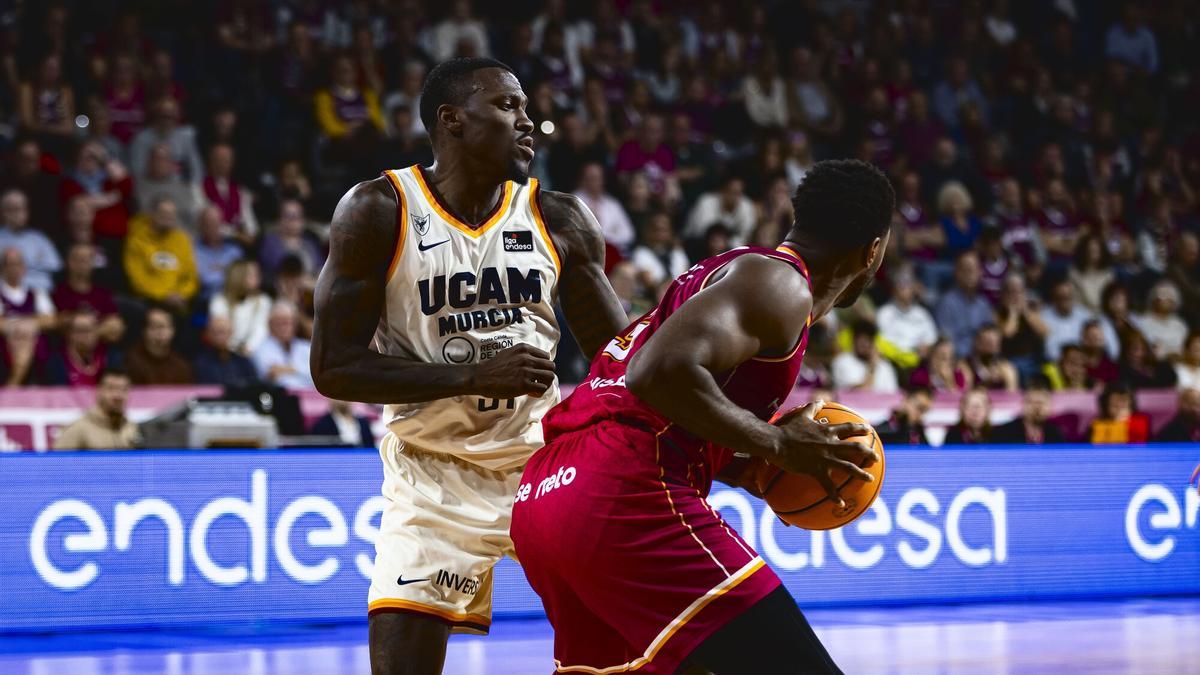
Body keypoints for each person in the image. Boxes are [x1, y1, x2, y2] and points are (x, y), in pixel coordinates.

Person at [510, 159, 892, 674]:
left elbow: (644, 397)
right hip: (624, 492)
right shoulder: (781, 285)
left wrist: (741, 465)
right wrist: (778, 446)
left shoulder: (734, 268)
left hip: (549, 496)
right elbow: (656, 374)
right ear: (873, 250)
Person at [308, 58, 627, 673]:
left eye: (527, 109)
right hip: (431, 478)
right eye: (509, 107)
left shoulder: (558, 217)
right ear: (451, 120)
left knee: (640, 647)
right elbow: (334, 367)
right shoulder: (377, 210)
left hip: (546, 466)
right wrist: (472, 376)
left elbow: (620, 361)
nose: (528, 122)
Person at [124, 196, 199, 315]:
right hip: (149, 301)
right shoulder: (137, 240)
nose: (168, 217)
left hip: (178, 301)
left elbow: (190, 277)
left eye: (172, 213)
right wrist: (162, 295)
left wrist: (181, 294)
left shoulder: (182, 240)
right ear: (152, 213)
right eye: (163, 212)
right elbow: (137, 279)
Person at [52, 367, 141, 450]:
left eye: (123, 389)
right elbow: (56, 463)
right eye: (111, 388)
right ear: (99, 390)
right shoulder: (79, 429)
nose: (118, 396)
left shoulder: (132, 429)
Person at [52, 243, 125, 344]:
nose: (83, 263)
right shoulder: (57, 292)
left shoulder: (102, 293)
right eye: (78, 258)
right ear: (68, 261)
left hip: (99, 351)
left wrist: (88, 333)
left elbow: (116, 325)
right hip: (66, 353)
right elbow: (57, 323)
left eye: (88, 259)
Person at [935, 250, 994, 357]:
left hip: (983, 360)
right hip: (958, 360)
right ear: (956, 272)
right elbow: (946, 342)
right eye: (966, 269)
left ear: (980, 272)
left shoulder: (983, 304)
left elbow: (991, 336)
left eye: (974, 269)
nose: (970, 273)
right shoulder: (946, 303)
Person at [0, 189, 61, 292]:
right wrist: (35, 263)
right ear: (2, 212)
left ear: (27, 211)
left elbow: (55, 266)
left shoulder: (39, 238)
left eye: (20, 209)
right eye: (11, 209)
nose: (16, 214)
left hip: (39, 291)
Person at [209, 260, 271, 356]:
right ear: (238, 277)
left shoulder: (263, 301)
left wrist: (249, 348)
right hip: (225, 351)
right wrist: (235, 351)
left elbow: (261, 330)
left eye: (258, 274)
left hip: (254, 351)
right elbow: (221, 331)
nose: (258, 278)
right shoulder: (219, 301)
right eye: (252, 275)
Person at [875, 268, 937, 363]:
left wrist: (927, 347)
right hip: (891, 360)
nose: (904, 287)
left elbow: (931, 339)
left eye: (907, 284)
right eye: (900, 284)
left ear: (913, 288)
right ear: (894, 289)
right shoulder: (884, 313)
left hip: (918, 361)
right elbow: (881, 342)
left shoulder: (922, 314)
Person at [572, 162, 635, 252]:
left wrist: (606, 238)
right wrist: (612, 232)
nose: (595, 182)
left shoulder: (612, 204)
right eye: (591, 178)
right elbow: (574, 234)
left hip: (612, 253)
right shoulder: (575, 201)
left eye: (598, 178)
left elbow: (629, 234)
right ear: (583, 179)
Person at [252, 300, 313, 389]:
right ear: (270, 324)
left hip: (313, 399)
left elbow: (318, 379)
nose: (284, 328)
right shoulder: (261, 350)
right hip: (279, 399)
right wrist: (303, 372)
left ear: (295, 324)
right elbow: (274, 379)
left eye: (287, 322)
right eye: (279, 323)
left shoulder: (306, 347)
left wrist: (289, 370)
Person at [124, 306, 193, 385]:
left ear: (173, 330)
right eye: (153, 326)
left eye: (163, 326)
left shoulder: (181, 366)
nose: (159, 332)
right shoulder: (131, 362)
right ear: (144, 331)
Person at [992, 375, 1066, 444]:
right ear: (1023, 404)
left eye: (1041, 403)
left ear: (1050, 405)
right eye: (1032, 402)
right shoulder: (1004, 433)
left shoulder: (1056, 435)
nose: (1037, 408)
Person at [831, 319, 899, 392]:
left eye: (868, 339)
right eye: (860, 339)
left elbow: (893, 395)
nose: (864, 344)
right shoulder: (841, 362)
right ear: (853, 340)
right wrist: (872, 368)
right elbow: (860, 392)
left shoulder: (885, 366)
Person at [629, 211, 689, 292]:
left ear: (671, 232)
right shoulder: (641, 253)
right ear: (648, 231)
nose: (660, 234)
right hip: (651, 300)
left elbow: (687, 278)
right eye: (657, 230)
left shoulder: (677, 252)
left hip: (679, 297)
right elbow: (649, 284)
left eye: (664, 230)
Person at [0, 248, 57, 333]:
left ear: (24, 267)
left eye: (18, 264)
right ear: (2, 268)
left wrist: (10, 321)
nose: (14, 269)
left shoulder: (37, 293)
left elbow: (50, 321)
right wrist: (34, 319)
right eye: (10, 264)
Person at [192, 315, 259, 387]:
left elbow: (253, 385)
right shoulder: (201, 362)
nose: (218, 336)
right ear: (208, 334)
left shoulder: (242, 361)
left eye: (222, 332)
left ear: (231, 332)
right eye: (214, 332)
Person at [1135, 281, 1189, 360]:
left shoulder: (1180, 324)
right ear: (1154, 300)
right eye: (1162, 297)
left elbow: (1186, 349)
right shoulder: (1143, 322)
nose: (1165, 301)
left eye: (1169, 298)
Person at [967, 324, 1018, 391]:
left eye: (996, 342)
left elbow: (1012, 396)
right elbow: (960, 394)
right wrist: (985, 383)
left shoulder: (1006, 368)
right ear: (977, 342)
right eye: (988, 342)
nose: (992, 345)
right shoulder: (965, 367)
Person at [310, 399, 375, 447]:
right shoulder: (322, 425)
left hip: (362, 461)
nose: (342, 399)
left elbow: (370, 446)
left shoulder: (363, 423)